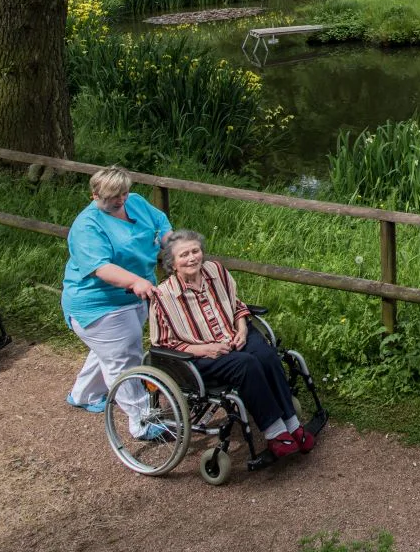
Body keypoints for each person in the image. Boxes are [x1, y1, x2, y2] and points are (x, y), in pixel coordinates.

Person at [150, 230, 314, 458]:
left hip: (234, 334)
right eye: (184, 255)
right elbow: (163, 343)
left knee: (266, 355)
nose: (192, 258)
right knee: (246, 364)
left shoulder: (215, 271)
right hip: (201, 355)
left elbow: (237, 305)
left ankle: (293, 425)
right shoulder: (164, 296)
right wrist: (205, 349)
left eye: (195, 251)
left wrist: (242, 329)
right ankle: (275, 433)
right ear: (172, 263)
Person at [60, 167, 169, 433]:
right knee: (124, 359)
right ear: (95, 195)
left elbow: (161, 222)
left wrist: (173, 245)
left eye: (124, 193)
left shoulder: (136, 202)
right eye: (113, 197)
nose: (120, 200)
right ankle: (142, 421)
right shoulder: (87, 226)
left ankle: (84, 394)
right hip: (98, 303)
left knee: (113, 349)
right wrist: (135, 281)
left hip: (134, 297)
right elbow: (101, 268)